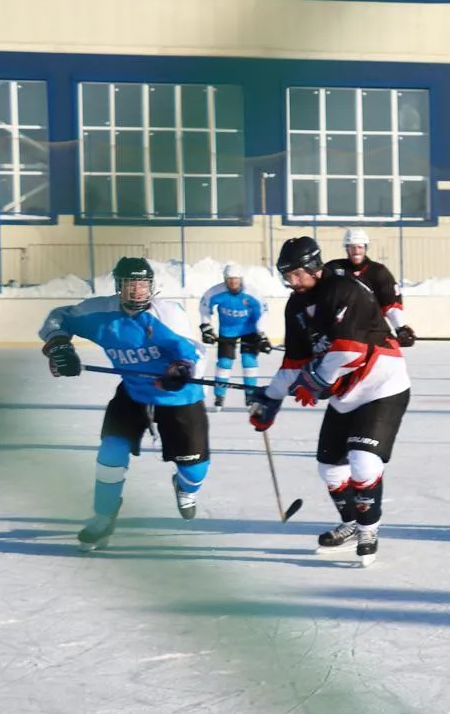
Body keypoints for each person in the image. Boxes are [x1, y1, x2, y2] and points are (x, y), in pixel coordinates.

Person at [247, 236, 411, 566]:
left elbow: (348, 351)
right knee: (330, 468)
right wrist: (271, 398)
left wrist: (315, 381)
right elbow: (293, 362)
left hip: (382, 384)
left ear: (313, 268)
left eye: (296, 274)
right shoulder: (295, 306)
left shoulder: (343, 289)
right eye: (286, 276)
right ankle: (350, 523)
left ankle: (368, 529)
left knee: (363, 461)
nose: (291, 282)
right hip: (347, 393)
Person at [38, 257, 209, 547]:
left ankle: (184, 486)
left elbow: (194, 352)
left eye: (142, 284)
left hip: (178, 397)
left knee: (194, 469)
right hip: (133, 392)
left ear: (151, 286)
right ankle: (103, 518)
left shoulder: (168, 314)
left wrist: (181, 370)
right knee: (110, 454)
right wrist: (59, 345)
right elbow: (58, 317)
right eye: (130, 284)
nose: (136, 291)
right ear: (118, 286)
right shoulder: (99, 312)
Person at [197, 262, 272, 410]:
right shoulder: (216, 292)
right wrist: (206, 327)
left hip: (249, 330)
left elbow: (263, 312)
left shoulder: (252, 293)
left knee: (249, 361)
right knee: (224, 363)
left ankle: (250, 395)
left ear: (241, 279)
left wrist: (261, 333)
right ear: (225, 280)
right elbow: (204, 307)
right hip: (227, 331)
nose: (233, 283)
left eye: (236, 280)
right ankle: (220, 396)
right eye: (229, 280)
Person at [326, 227, 415, 348]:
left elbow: (391, 305)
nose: (356, 251)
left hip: (372, 330)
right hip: (341, 331)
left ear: (366, 248)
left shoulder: (378, 272)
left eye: (360, 247)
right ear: (346, 248)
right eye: (352, 247)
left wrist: (401, 328)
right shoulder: (334, 268)